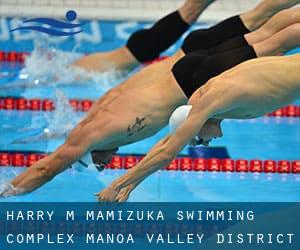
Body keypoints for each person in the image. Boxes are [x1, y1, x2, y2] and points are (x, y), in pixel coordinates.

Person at [1, 0, 300, 198]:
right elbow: (67, 139)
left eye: (95, 162)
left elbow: (46, 167)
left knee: (276, 38)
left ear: (89, 150)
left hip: (192, 78)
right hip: (187, 55)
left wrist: (8, 191)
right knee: (270, 28)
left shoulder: (95, 133)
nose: (104, 165)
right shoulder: (100, 108)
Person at [97, 53, 300, 202]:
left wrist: (116, 184)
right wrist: (131, 186)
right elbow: (169, 141)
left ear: (197, 124)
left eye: (200, 140)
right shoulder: (200, 101)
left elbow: (167, 154)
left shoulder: (212, 101)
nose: (207, 143)